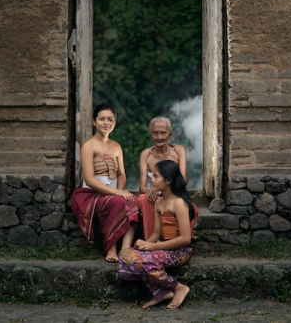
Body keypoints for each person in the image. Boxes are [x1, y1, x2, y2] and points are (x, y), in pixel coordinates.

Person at [119, 160, 199, 309]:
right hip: (163, 248)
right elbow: (156, 233)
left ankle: (178, 287)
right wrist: (145, 243)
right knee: (126, 254)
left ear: (168, 180)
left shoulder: (179, 203)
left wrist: (154, 246)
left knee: (145, 261)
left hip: (180, 251)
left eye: (156, 176)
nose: (152, 179)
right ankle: (162, 292)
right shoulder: (159, 203)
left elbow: (185, 238)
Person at [71, 103, 139, 263]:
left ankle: (126, 248)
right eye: (102, 119)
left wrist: (120, 190)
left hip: (114, 192)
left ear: (114, 123)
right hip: (92, 193)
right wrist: (117, 193)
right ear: (94, 122)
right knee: (116, 202)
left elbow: (121, 174)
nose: (106, 123)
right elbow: (89, 179)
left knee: (134, 201)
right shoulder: (88, 146)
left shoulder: (116, 146)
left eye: (110, 119)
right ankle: (111, 247)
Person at [138, 116, 187, 239]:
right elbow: (142, 187)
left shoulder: (179, 150)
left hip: (174, 194)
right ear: (150, 134)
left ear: (170, 134)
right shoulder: (146, 154)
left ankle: (171, 241)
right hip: (153, 194)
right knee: (144, 198)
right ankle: (150, 240)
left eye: (163, 133)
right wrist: (150, 191)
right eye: (155, 133)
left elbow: (183, 180)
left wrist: (165, 190)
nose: (159, 137)